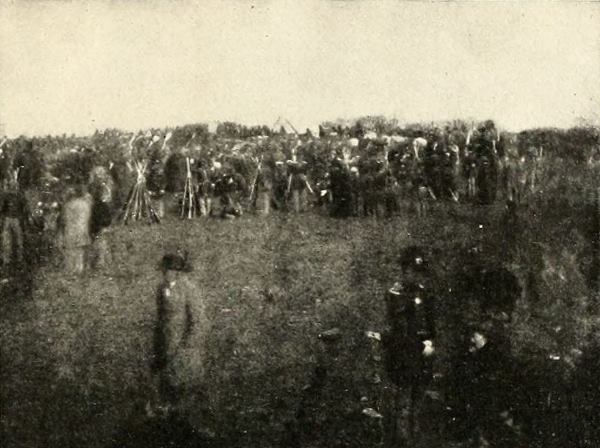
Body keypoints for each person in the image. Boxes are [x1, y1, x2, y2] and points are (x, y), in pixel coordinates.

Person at [382, 246, 437, 446]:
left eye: (419, 272)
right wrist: (421, 346)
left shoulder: (424, 293)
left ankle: (416, 441)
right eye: (412, 271)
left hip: (422, 358)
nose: (416, 276)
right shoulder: (396, 295)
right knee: (403, 408)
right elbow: (400, 333)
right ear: (404, 271)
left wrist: (430, 342)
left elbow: (430, 325)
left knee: (418, 406)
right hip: (404, 359)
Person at [151, 251, 195, 413]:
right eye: (165, 270)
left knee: (179, 381)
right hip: (163, 342)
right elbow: (160, 316)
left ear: (178, 272)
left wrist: (186, 345)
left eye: (171, 270)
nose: (167, 273)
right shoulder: (161, 288)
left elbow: (197, 321)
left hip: (181, 344)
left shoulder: (188, 290)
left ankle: (179, 412)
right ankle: (165, 411)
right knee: (163, 380)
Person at [58, 184, 93, 274]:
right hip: (83, 228)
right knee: (80, 250)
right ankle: (79, 268)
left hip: (71, 229)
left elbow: (64, 219)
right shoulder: (86, 204)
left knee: (71, 250)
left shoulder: (68, 205)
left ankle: (71, 269)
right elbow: (88, 217)